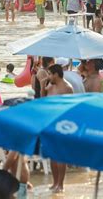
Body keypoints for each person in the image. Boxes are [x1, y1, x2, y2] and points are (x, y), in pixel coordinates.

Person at [45, 64, 73, 193]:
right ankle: (54, 182)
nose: (48, 76)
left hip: (63, 124)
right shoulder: (50, 86)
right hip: (50, 123)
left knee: (60, 156)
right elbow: (45, 102)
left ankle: (61, 184)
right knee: (52, 156)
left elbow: (71, 109)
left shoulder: (67, 88)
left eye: (50, 74)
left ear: (56, 74)